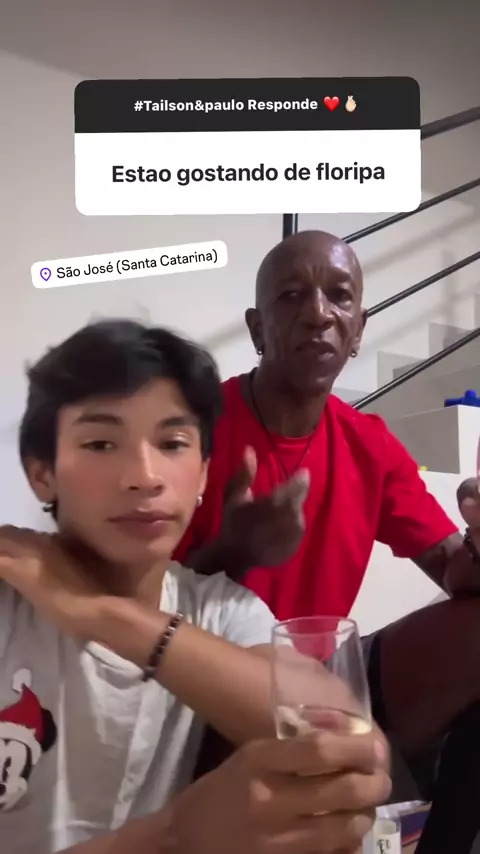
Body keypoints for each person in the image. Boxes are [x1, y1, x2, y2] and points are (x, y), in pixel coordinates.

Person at [0, 319, 391, 854]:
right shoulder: (10, 598)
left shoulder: (220, 610)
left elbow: (347, 740)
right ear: (42, 473)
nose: (144, 476)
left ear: (204, 473)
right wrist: (173, 836)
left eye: (172, 443)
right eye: (100, 443)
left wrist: (104, 614)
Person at [174, 230, 480, 853]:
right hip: (203, 697)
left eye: (340, 296)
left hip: (326, 681)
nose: (319, 313)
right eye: (292, 296)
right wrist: (232, 551)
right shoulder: (192, 430)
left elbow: (451, 569)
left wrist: (478, 551)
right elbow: (138, 613)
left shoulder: (371, 444)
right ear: (257, 329)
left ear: (359, 328)